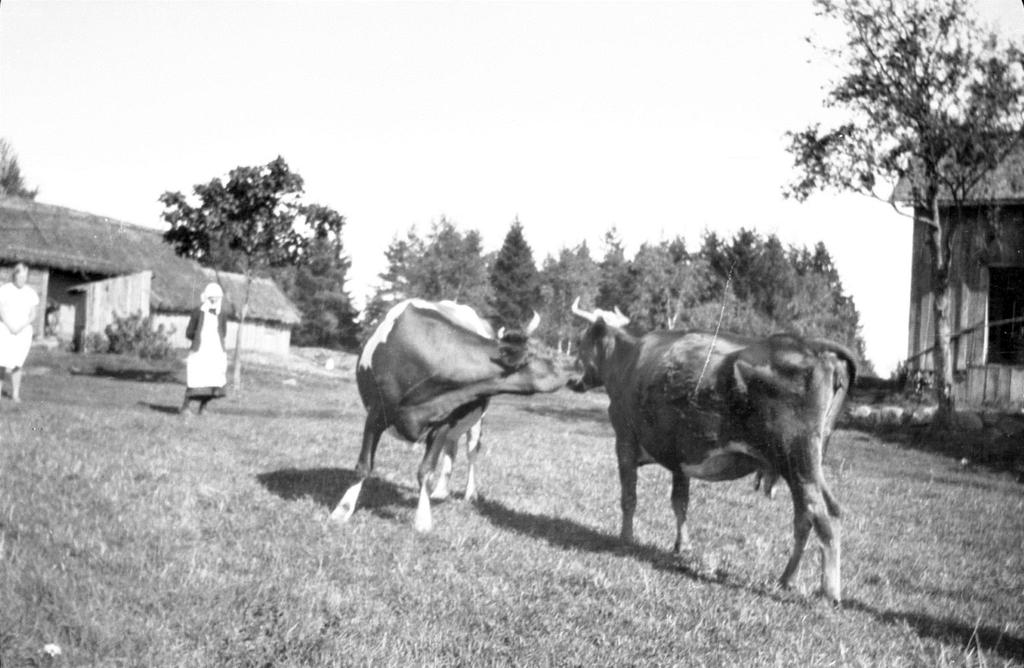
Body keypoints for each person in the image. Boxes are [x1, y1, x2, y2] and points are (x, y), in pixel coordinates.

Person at [180, 282, 229, 415]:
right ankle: (185, 407)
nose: (213, 300)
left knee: (213, 379)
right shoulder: (197, 311)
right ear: (206, 297)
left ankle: (204, 407)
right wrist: (199, 339)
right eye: (211, 298)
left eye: (216, 298)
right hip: (200, 351)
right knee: (196, 378)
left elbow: (223, 332)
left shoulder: (222, 313)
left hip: (216, 351)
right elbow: (189, 332)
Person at [0, 263, 39, 403]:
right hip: (5, 329)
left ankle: (15, 394)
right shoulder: (4, 290)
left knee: (18, 363)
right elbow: (1, 310)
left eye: (25, 276)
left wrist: (21, 326)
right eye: (19, 275)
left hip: (22, 331)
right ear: (14, 275)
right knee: (2, 361)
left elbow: (33, 315)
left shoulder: (30, 292)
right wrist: (9, 325)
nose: (22, 279)